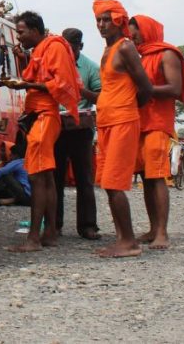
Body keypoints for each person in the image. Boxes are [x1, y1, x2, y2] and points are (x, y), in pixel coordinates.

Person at [6, 11, 81, 253]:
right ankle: (49, 233)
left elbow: (61, 84)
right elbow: (38, 77)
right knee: (46, 178)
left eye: (21, 32)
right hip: (40, 116)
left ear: (36, 31)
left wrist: (26, 84)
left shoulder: (54, 47)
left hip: (45, 116)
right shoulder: (40, 49)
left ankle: (33, 238)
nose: (19, 37)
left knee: (37, 178)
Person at [92, 0, 153, 259]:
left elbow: (146, 88)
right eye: (98, 20)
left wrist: (127, 109)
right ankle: (121, 239)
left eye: (107, 19)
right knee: (107, 183)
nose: (102, 24)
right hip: (106, 122)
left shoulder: (126, 47)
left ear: (119, 21)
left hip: (122, 122)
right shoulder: (108, 50)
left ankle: (129, 243)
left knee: (114, 182)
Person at [130, 14, 184, 248]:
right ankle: (152, 228)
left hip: (157, 122)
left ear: (147, 30)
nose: (133, 38)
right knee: (146, 177)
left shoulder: (167, 54)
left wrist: (143, 90)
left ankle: (162, 233)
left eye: (136, 33)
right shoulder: (141, 57)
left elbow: (174, 88)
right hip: (140, 122)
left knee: (157, 176)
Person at [54, 28, 101, 241]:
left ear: (80, 46)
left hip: (81, 129)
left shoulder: (90, 67)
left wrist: (79, 89)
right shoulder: (54, 64)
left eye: (71, 48)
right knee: (55, 177)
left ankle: (88, 226)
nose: (67, 52)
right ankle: (54, 225)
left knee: (84, 178)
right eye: (63, 48)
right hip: (57, 126)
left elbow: (100, 97)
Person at [0, 138, 32, 206]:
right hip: (32, 196)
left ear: (16, 155)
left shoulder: (17, 162)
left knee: (5, 175)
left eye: (11, 154)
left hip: (26, 196)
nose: (9, 156)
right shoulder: (27, 162)